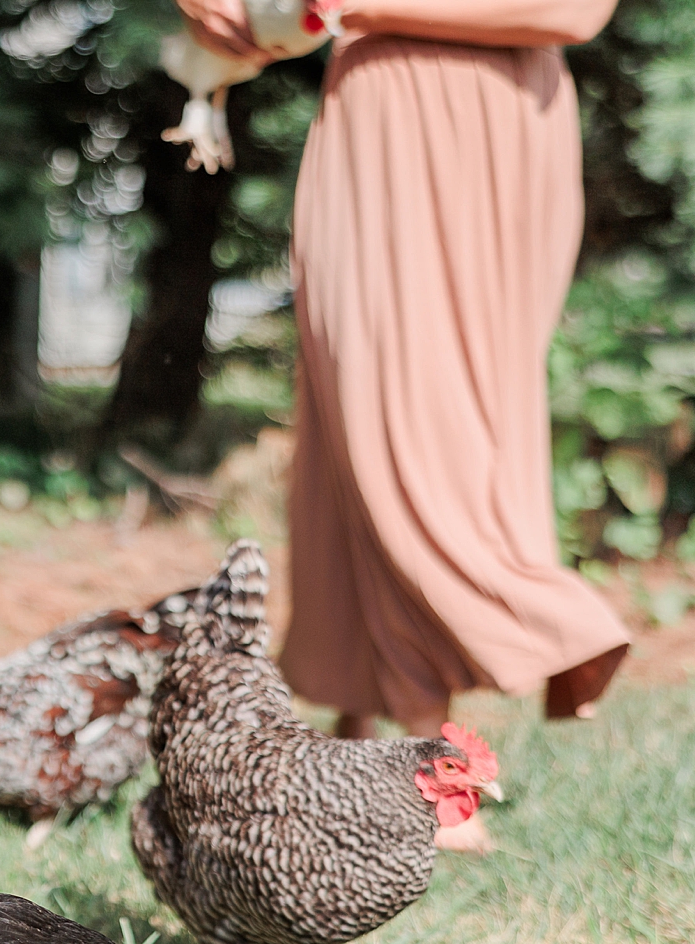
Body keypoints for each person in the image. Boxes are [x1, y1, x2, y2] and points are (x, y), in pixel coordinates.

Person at [177, 0, 628, 852]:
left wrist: (353, 2)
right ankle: (359, 731)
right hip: (379, 119)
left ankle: (432, 736)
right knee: (354, 410)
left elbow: (576, 7)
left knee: (432, 413)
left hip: (492, 123)